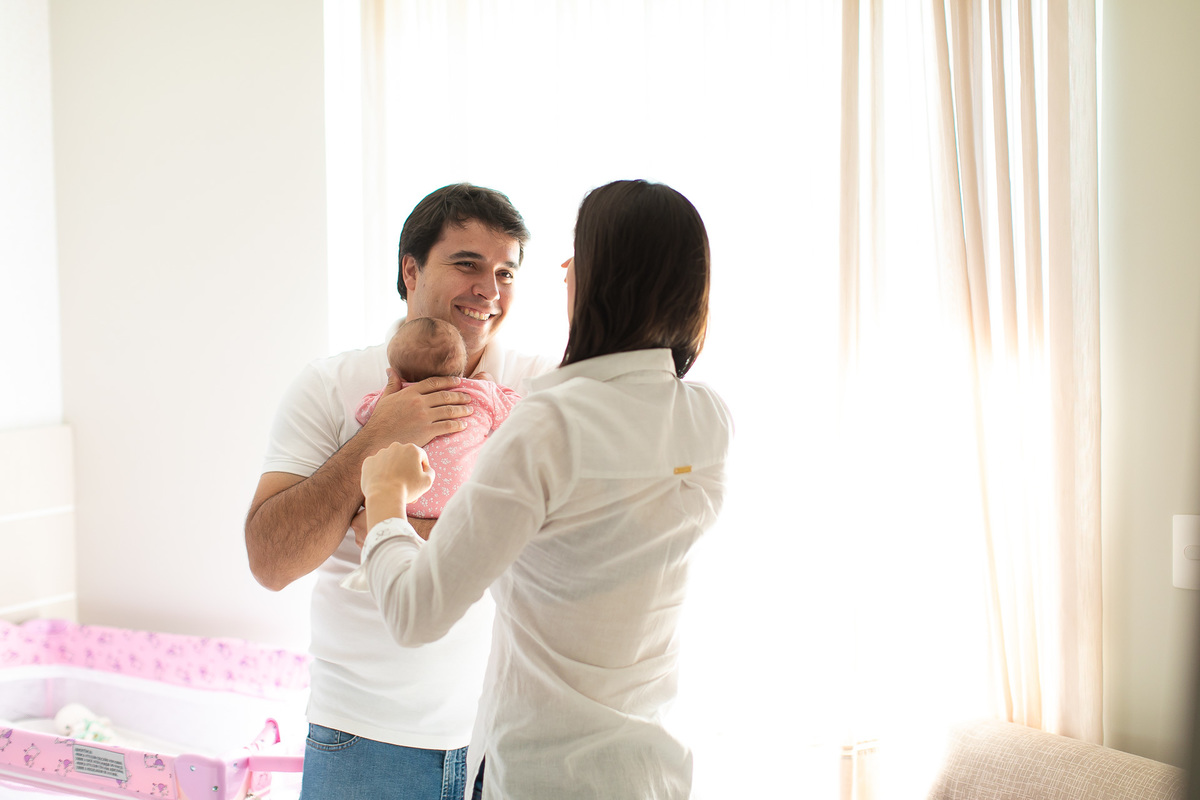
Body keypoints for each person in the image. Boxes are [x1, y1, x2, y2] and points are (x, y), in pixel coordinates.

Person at [347, 179, 732, 799]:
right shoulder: (708, 418)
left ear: (609, 277)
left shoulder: (547, 425)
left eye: (578, 254)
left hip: (548, 776)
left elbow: (415, 613)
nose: (565, 269)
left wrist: (386, 496)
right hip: (653, 773)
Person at [244, 184, 558, 799]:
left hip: (507, 741)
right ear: (410, 270)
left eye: (505, 272)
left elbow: (567, 544)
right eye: (467, 263)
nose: (489, 290)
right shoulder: (333, 386)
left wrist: (395, 524)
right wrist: (379, 435)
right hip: (365, 740)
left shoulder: (538, 387)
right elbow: (271, 561)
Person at [354, 316, 521, 520]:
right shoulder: (479, 392)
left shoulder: (396, 398)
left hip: (404, 501)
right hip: (460, 503)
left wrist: (383, 394)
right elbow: (518, 413)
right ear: (462, 367)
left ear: (398, 374)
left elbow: (363, 412)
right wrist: (493, 387)